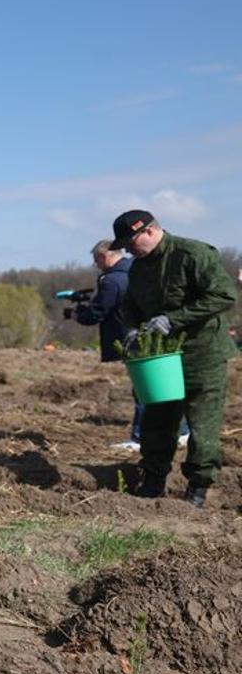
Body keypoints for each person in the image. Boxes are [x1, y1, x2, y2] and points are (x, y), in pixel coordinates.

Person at [111, 209, 235, 506]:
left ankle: (197, 489)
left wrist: (173, 319)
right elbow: (130, 306)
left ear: (150, 232)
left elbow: (223, 295)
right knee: (157, 421)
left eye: (130, 243)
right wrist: (129, 330)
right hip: (162, 359)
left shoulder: (192, 254)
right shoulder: (139, 268)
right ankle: (153, 481)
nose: (127, 250)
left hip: (203, 355)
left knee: (202, 426)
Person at [74, 240, 188, 452]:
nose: (96, 265)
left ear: (105, 256)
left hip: (133, 338)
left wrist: (78, 314)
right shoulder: (137, 271)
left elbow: (98, 312)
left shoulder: (112, 280)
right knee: (161, 386)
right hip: (153, 335)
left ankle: (140, 438)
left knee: (144, 389)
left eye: (96, 260)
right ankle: (183, 431)